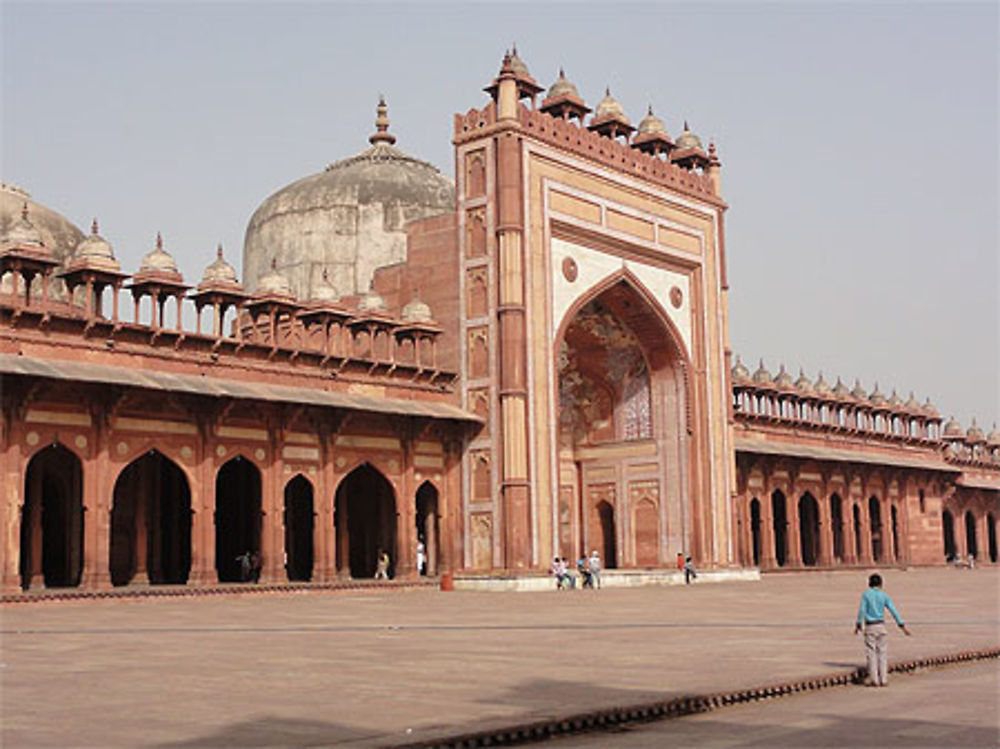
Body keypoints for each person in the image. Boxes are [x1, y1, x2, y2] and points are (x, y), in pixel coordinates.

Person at [854, 573, 911, 686]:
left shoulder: (866, 595)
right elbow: (893, 610)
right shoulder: (884, 596)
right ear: (881, 584)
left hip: (870, 626)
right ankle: (884, 679)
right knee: (882, 654)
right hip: (881, 626)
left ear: (869, 583)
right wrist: (902, 625)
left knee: (871, 653)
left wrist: (858, 625)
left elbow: (862, 611)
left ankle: (874, 679)